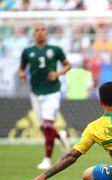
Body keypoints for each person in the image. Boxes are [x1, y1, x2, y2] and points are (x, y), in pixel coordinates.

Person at [18, 23, 72, 170]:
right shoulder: (27, 52)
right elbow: (22, 68)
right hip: (35, 92)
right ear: (33, 33)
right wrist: (22, 74)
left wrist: (58, 73)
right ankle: (60, 135)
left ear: (46, 33)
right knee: (43, 127)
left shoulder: (55, 50)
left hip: (52, 91)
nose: (40, 32)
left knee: (48, 124)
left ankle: (47, 160)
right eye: (37, 30)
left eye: (43, 30)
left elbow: (68, 65)